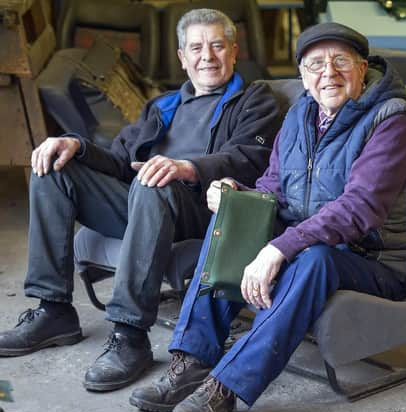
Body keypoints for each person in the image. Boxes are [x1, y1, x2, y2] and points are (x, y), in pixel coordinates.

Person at [129, 22, 406, 412]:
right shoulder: (301, 114)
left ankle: (226, 388)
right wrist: (237, 193)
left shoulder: (392, 121)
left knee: (314, 259)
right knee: (234, 221)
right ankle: (194, 359)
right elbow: (275, 187)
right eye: (316, 64)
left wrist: (279, 248)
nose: (329, 74)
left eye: (341, 61)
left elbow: (361, 209)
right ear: (303, 76)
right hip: (310, 244)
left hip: (374, 260)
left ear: (362, 68)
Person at [0, 8, 281, 392]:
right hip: (144, 201)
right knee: (53, 169)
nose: (207, 56)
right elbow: (119, 160)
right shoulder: (162, 105)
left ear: (233, 51)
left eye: (217, 45)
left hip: (205, 207)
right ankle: (53, 310)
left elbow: (250, 158)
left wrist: (186, 167)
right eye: (196, 47)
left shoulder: (255, 100)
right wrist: (75, 144)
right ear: (182, 58)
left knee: (153, 182)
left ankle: (130, 336)